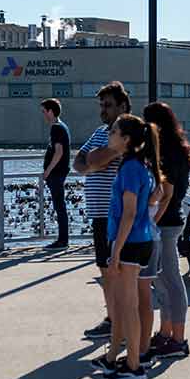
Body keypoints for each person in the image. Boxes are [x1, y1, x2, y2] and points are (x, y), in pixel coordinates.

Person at [93, 113, 163, 379]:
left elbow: (130, 213)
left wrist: (116, 251)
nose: (109, 136)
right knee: (124, 304)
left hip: (131, 242)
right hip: (133, 240)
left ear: (126, 139)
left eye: (113, 133)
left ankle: (134, 365)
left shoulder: (132, 168)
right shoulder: (133, 165)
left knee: (129, 305)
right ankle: (119, 357)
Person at [73, 82, 131, 339]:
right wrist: (96, 160)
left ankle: (123, 323)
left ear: (123, 106)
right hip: (98, 214)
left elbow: (94, 160)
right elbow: (78, 162)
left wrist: (95, 160)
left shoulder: (127, 134)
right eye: (101, 105)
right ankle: (112, 318)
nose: (103, 110)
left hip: (116, 215)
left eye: (108, 105)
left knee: (118, 270)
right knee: (104, 268)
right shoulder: (100, 131)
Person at [144, 101, 190, 359]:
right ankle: (166, 334)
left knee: (171, 281)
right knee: (163, 282)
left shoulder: (167, 154)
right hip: (170, 221)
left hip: (166, 224)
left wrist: (150, 223)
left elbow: (167, 194)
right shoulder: (175, 150)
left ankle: (178, 339)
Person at [40, 98, 71, 249]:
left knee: (60, 207)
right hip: (59, 172)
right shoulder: (62, 126)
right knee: (60, 207)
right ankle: (63, 239)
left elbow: (59, 152)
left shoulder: (56, 128)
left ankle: (62, 241)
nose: (43, 115)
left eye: (44, 111)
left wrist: (47, 171)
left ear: (51, 111)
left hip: (56, 174)